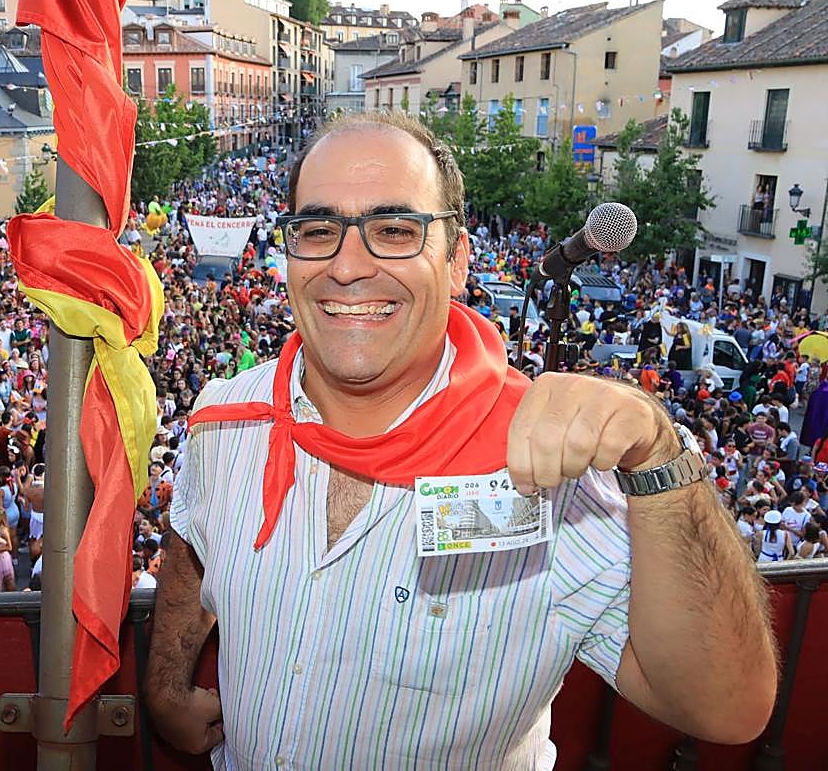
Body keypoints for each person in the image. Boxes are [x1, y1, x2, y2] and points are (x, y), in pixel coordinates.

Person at [145, 112, 776, 765]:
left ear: (456, 261)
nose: (347, 266)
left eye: (394, 230)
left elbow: (728, 708)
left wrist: (662, 460)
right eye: (318, 230)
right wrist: (166, 685)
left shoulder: (547, 469)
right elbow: (193, 537)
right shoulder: (225, 418)